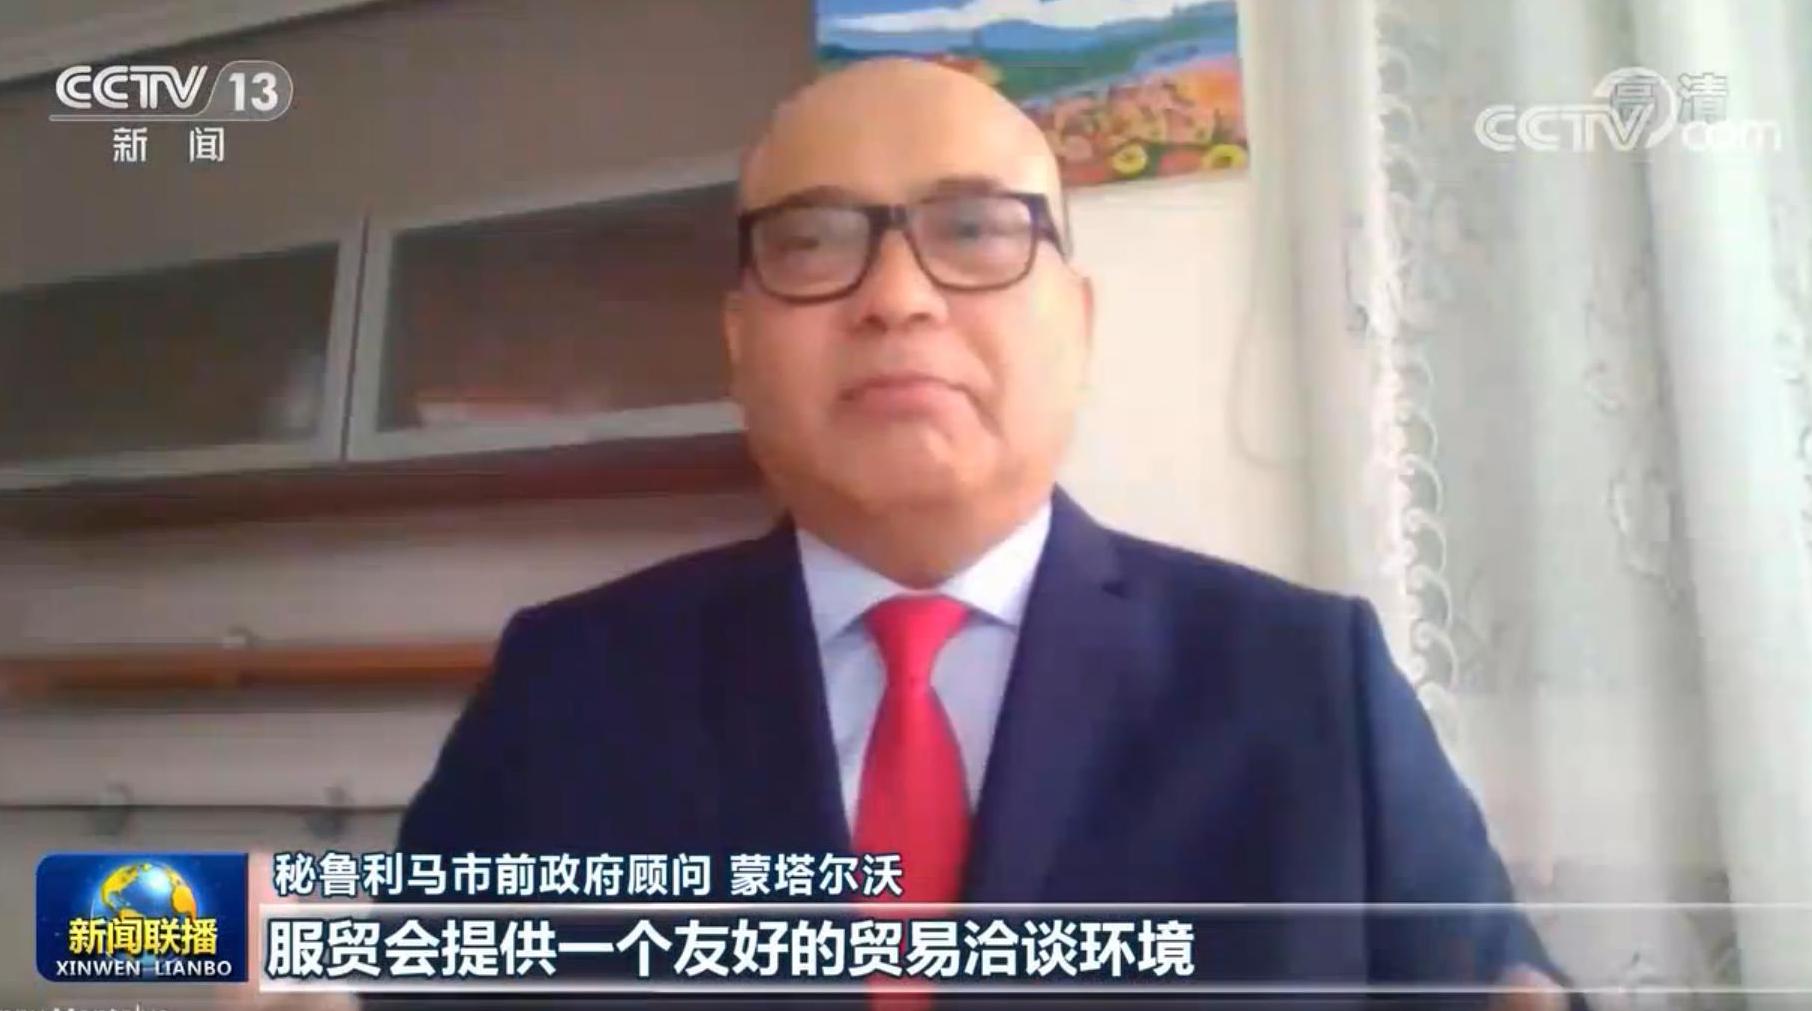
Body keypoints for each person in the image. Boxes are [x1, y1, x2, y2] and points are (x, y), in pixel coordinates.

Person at [394, 58, 1573, 1008]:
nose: (896, 297)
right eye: (813, 243)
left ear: (1079, 322)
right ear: (740, 343)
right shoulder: (565, 688)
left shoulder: (1312, 684)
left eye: (973, 229)